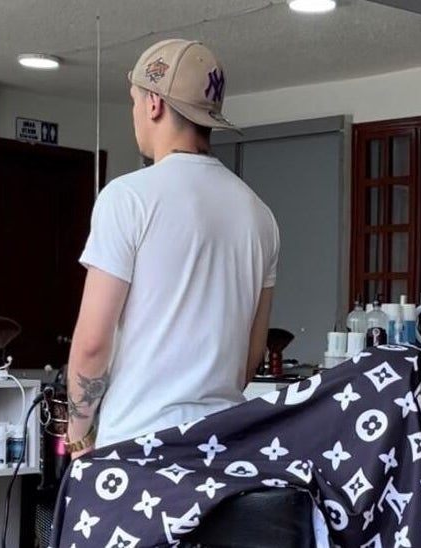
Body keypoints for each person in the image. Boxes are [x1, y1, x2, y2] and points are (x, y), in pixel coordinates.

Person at [63, 40, 280, 459]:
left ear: (154, 104)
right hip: (221, 449)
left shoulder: (128, 198)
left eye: (134, 100)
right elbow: (251, 354)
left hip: (138, 449)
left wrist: (79, 435)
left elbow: (92, 344)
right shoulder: (259, 215)